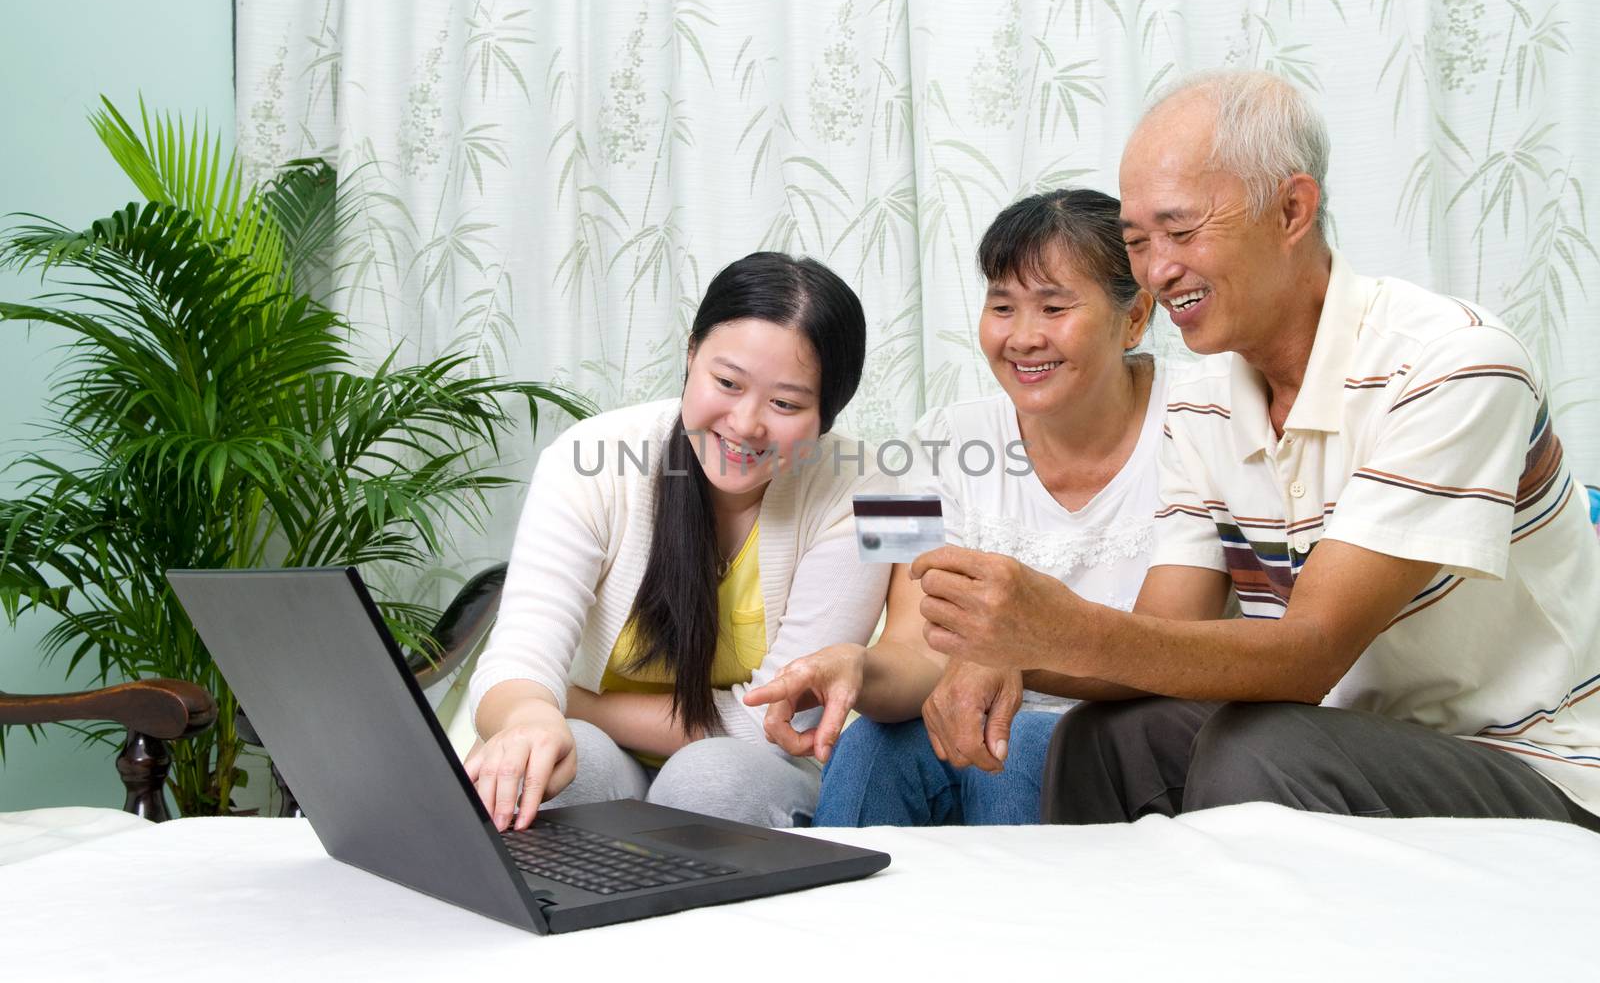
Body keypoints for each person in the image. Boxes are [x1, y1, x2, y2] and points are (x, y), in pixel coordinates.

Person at [909, 69, 1600, 832]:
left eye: (1180, 231)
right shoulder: (954, 438)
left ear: (1292, 209)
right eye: (1138, 243)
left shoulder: (1450, 362)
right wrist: (1002, 652)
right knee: (1100, 737)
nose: (1159, 271)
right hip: (1338, 736)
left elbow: (1309, 655)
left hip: (1533, 764)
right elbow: (1159, 633)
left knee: (1259, 745)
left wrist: (1047, 629)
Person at [746, 189, 1162, 825]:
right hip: (975, 717)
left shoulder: (1197, 423)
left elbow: (1177, 642)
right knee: (869, 745)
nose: (1023, 337)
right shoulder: (925, 444)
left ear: (1134, 318)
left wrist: (1013, 659)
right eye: (1002, 306)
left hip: (1135, 730)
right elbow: (914, 646)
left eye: (1053, 306)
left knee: (1015, 745)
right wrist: (857, 665)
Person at [464, 252, 890, 831]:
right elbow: (518, 658)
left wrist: (572, 701)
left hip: (755, 765)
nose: (745, 424)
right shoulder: (587, 458)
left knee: (709, 778)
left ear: (829, 412)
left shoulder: (874, 490)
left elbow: (773, 718)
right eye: (726, 382)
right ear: (691, 355)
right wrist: (532, 714)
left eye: (786, 404)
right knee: (563, 766)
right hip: (597, 748)